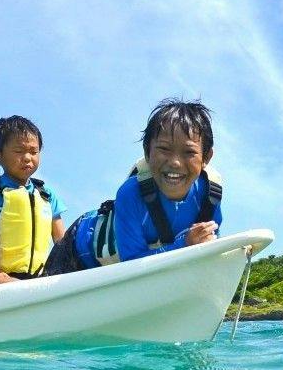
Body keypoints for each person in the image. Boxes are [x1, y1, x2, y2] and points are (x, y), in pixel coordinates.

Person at [44, 99, 222, 275]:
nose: (175, 162)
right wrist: (185, 245)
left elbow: (210, 244)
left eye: (189, 152)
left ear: (206, 157)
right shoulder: (131, 193)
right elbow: (132, 265)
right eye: (164, 149)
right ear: (147, 152)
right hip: (79, 248)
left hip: (126, 268)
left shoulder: (209, 195)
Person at [0, 115, 68, 281]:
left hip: (39, 278)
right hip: (0, 277)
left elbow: (61, 240)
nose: (28, 157)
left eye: (34, 152)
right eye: (19, 151)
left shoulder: (47, 194)